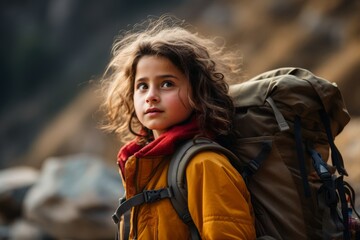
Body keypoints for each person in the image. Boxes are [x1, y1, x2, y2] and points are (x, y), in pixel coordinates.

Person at [100, 16, 256, 239]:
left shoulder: (204, 165)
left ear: (197, 91)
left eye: (167, 84)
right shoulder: (145, 164)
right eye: (142, 86)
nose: (151, 96)